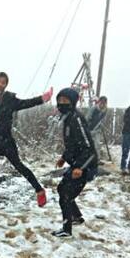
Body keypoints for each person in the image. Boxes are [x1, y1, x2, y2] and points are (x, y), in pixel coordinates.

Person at [0, 71, 53, 206]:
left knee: (18, 165)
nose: (0, 84)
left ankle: (39, 190)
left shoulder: (9, 99)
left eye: (3, 82)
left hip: (4, 139)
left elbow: (26, 103)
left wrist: (42, 99)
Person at [52, 88, 98, 237]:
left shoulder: (76, 119)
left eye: (65, 101)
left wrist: (80, 167)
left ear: (72, 102)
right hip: (77, 163)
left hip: (86, 165)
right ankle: (76, 217)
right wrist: (64, 157)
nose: (61, 103)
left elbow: (88, 147)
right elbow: (72, 145)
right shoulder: (67, 118)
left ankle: (67, 230)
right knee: (63, 190)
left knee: (65, 193)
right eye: (60, 100)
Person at [87, 96, 108, 162]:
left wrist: (101, 125)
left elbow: (103, 119)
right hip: (90, 129)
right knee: (89, 144)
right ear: (99, 102)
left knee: (97, 145)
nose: (102, 104)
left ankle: (97, 159)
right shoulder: (94, 108)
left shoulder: (105, 110)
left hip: (98, 130)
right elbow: (87, 118)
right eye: (101, 102)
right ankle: (88, 159)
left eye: (104, 103)